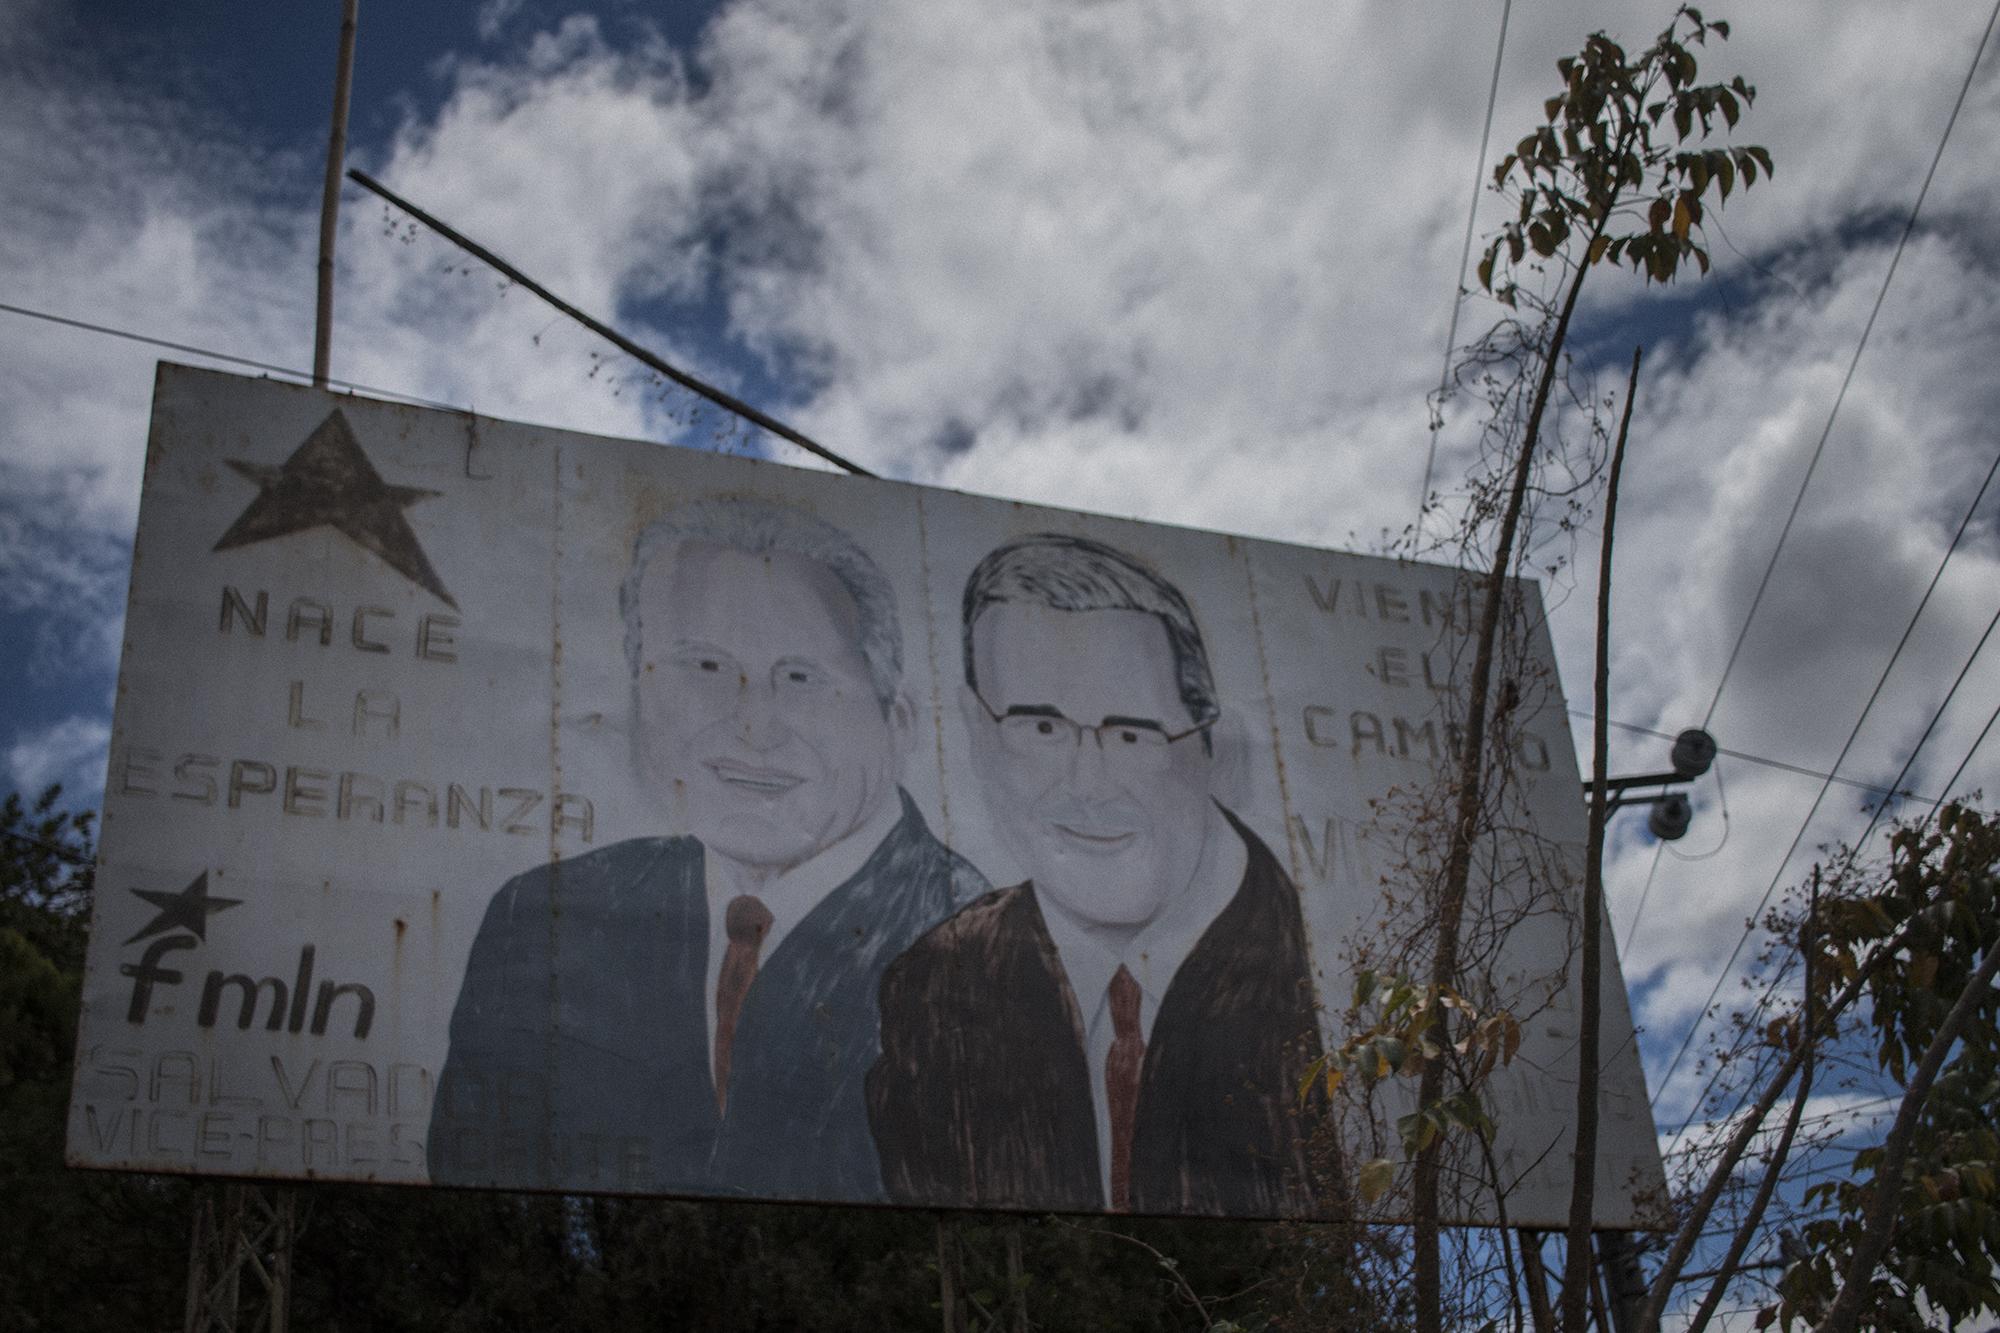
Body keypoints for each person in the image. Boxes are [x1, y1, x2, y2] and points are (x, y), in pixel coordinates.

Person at [430, 499, 986, 1199]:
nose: (753, 725)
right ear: (638, 692)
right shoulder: (544, 918)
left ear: (897, 721)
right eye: (705, 666)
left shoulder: (990, 956)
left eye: (800, 676)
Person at [867, 533, 1322, 1217]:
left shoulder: (1327, 971)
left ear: (1208, 745)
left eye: (1131, 733)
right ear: (975, 731)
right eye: (1041, 727)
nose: (1086, 783)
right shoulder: (932, 987)